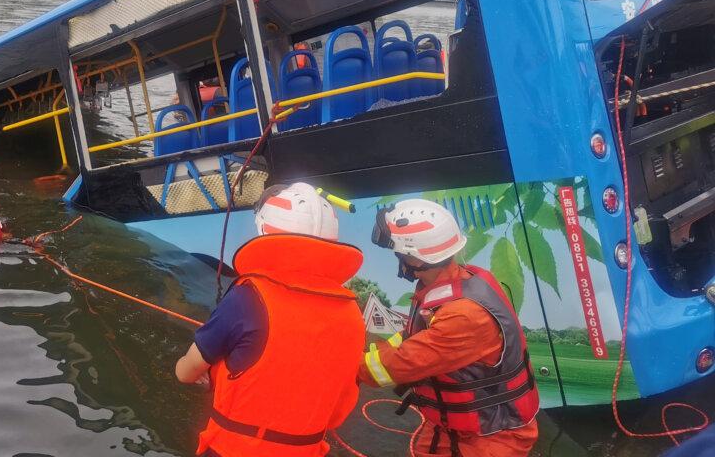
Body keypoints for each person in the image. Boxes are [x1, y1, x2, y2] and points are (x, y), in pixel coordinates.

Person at [174, 182, 366, 457]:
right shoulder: (352, 313)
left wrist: (206, 370)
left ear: (265, 230)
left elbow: (185, 373)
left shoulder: (247, 297)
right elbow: (337, 407)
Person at [360, 199, 539, 457]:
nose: (397, 258)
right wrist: (369, 349)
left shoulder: (463, 316)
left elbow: (402, 363)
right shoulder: (454, 284)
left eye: (399, 253)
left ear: (416, 258)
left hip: (489, 439)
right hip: (452, 429)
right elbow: (415, 339)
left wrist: (347, 368)